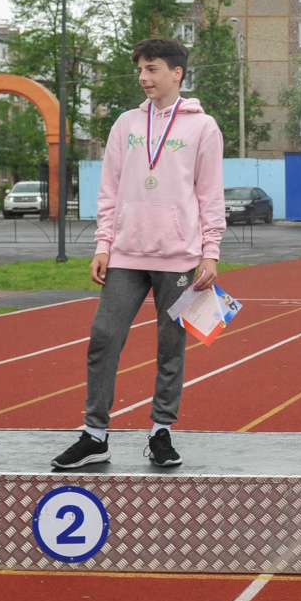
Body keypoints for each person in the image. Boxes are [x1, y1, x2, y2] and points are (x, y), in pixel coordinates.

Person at [51, 37, 226, 471]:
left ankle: (161, 431)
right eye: (141, 70)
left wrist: (211, 252)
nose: (143, 78)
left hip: (181, 256)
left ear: (176, 73)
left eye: (151, 70)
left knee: (171, 346)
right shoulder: (126, 124)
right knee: (104, 336)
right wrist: (103, 244)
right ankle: (95, 435)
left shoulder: (203, 127)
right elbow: (108, 189)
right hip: (127, 254)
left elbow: (210, 194)